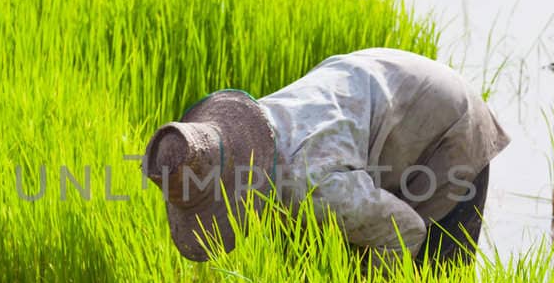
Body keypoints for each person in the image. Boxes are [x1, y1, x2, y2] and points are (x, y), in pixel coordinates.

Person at [143, 47, 508, 267]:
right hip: (390, 89)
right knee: (336, 250)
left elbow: (404, 231)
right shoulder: (260, 129)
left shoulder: (313, 182)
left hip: (449, 129)